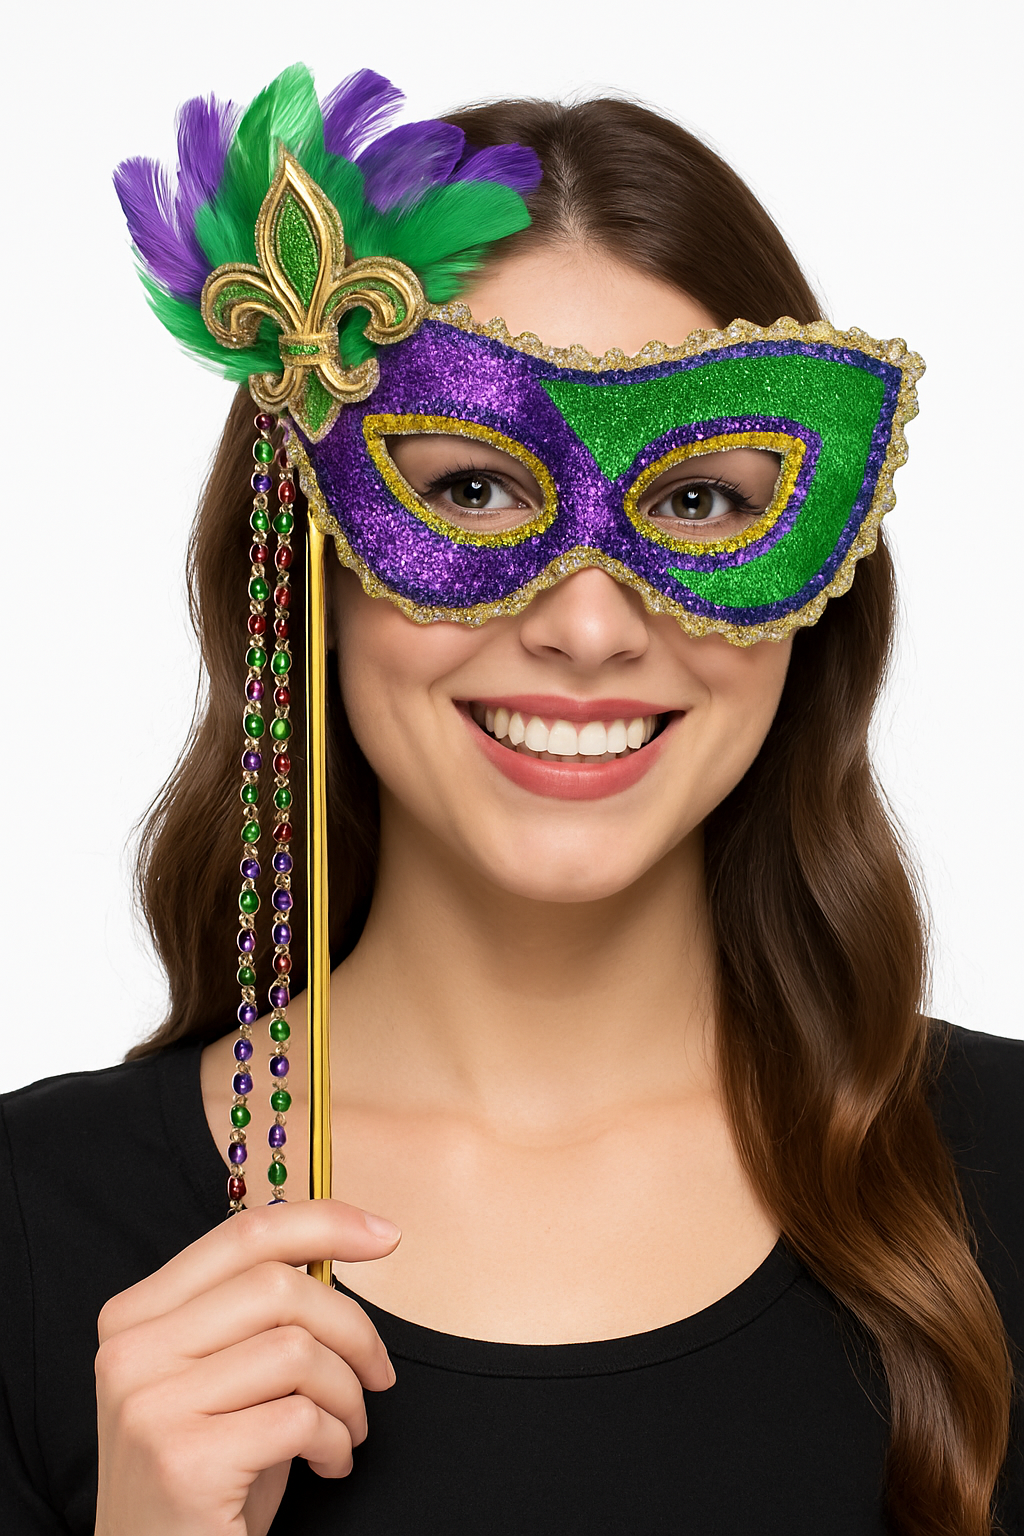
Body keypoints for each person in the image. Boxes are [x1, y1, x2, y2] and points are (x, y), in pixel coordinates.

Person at [1, 65, 1020, 1536]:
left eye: (699, 500)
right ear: (308, 559)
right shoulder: (34, 1227)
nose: (591, 629)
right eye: (472, 492)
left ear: (816, 592)